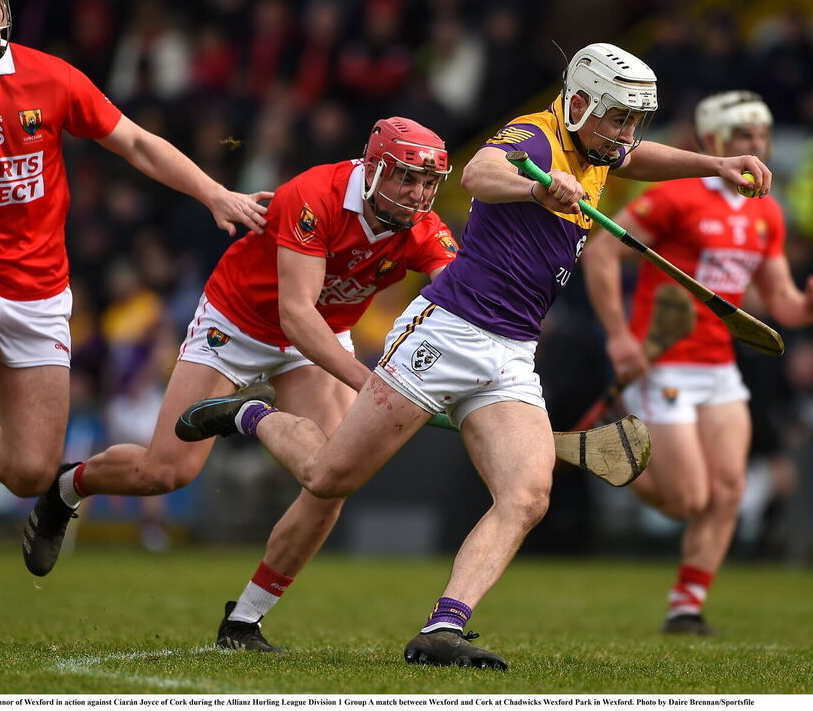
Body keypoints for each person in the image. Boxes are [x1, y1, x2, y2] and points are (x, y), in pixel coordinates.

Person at [177, 44, 774, 669]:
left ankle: (443, 628)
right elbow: (478, 174)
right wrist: (537, 191)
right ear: (577, 103)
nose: (626, 134)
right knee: (329, 478)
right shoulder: (536, 139)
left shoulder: (598, 145)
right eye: (617, 118)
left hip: (514, 351)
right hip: (448, 332)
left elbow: (637, 158)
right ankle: (247, 416)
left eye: (633, 120)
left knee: (527, 494)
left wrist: (714, 164)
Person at [0, 0, 270, 647]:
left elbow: (134, 141)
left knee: (32, 470)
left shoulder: (49, 77)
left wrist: (214, 192)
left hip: (40, 291)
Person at [21, 116, 459, 653]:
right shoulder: (313, 196)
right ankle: (67, 487)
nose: (418, 195)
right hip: (240, 321)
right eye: (405, 179)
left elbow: (459, 301)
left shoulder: (425, 228)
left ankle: (244, 622)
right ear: (372, 170)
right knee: (165, 472)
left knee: (332, 481)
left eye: (427, 183)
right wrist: (373, 383)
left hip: (320, 337)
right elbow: (295, 313)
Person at [582, 90, 813, 636]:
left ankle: (687, 606)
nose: (757, 146)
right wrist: (618, 337)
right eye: (744, 136)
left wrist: (810, 309)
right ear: (716, 141)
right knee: (687, 498)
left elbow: (778, 301)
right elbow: (603, 250)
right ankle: (613, 450)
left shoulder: (767, 211)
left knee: (729, 490)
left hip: (720, 367)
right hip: (664, 362)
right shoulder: (676, 197)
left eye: (762, 135)